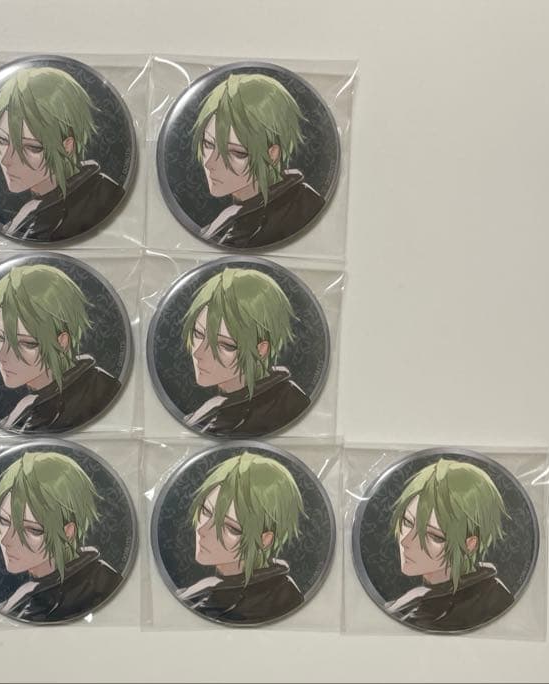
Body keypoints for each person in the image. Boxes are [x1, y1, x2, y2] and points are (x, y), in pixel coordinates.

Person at [0, 67, 124, 241]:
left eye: (32, 147)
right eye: (2, 140)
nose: (6, 160)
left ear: (67, 146)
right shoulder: (32, 207)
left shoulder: (104, 196)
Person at [0, 263, 119, 431]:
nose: (2, 356)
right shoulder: (30, 404)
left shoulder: (101, 391)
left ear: (62, 342)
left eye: (26, 343)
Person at [192, 73, 324, 248]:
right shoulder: (234, 214)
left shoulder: (301, 207)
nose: (210, 163)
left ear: (272, 154)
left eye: (237, 152)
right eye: (208, 144)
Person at [0, 451, 123, 622]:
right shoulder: (28, 593)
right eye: (4, 520)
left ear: (68, 532)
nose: (6, 540)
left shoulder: (102, 583)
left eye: (33, 529)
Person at [176, 452, 305, 624]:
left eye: (231, 527)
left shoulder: (279, 597)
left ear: (264, 540)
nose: (203, 529)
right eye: (206, 511)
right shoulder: (205, 589)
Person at [386, 458, 514, 632]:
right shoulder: (417, 599)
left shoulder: (489, 600)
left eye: (434, 535)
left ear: (469, 545)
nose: (406, 541)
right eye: (407, 522)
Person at [180, 267, 309, 436]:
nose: (198, 353)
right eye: (198, 334)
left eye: (225, 344)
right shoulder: (215, 406)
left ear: (260, 350)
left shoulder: (286, 403)